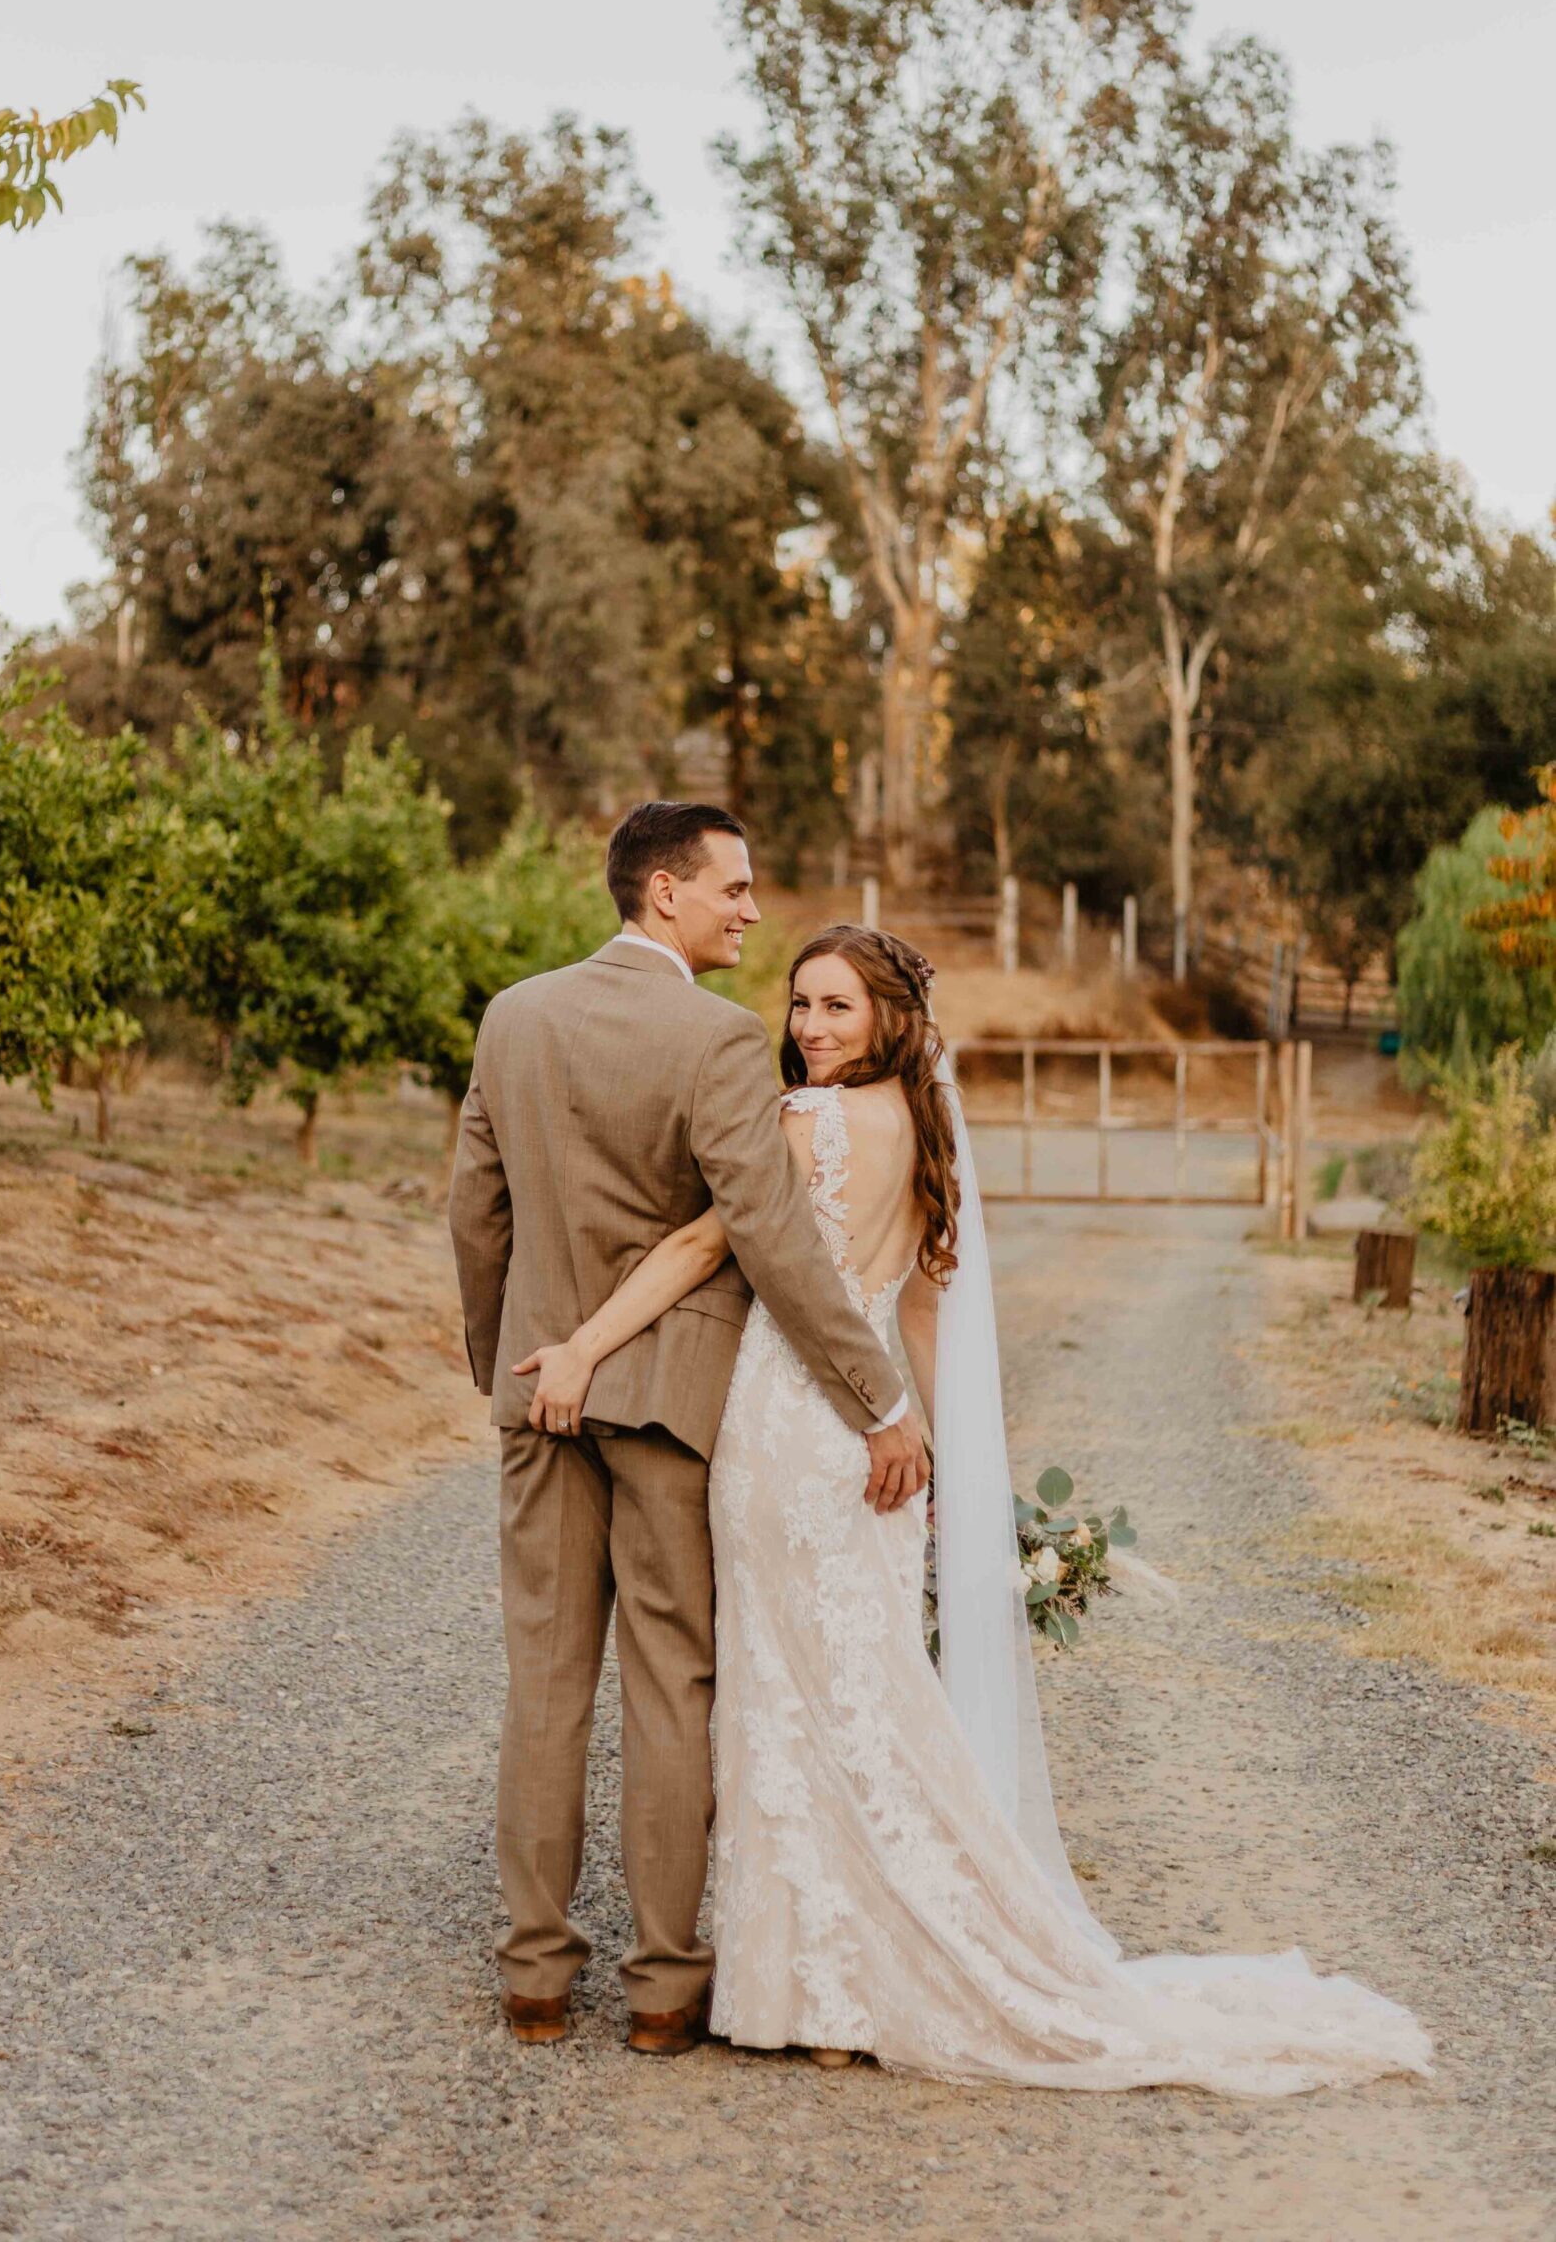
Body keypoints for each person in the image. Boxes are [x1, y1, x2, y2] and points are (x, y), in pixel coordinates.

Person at [512, 920, 1431, 2093]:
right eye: (800, 1005)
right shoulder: (929, 1125)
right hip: (878, 1433)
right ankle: (852, 1979)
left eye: (837, 1006)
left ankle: (812, 1983)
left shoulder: (804, 1123)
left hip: (793, 1430)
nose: (808, 1027)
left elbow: (704, 1246)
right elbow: (926, 1315)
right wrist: (934, 1454)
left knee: (788, 1693)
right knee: (860, 1691)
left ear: (891, 1018)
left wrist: (583, 1344)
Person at [447, 805, 926, 2059]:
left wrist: (508, 1363)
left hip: (540, 1390)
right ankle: (664, 1987)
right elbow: (766, 1235)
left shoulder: (513, 1018)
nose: (751, 910)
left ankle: (535, 1979)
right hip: (669, 1402)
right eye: (734, 888)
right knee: (673, 1681)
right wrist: (875, 1391)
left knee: (544, 1685)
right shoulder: (717, 1043)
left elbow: (474, 1214)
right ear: (665, 891)